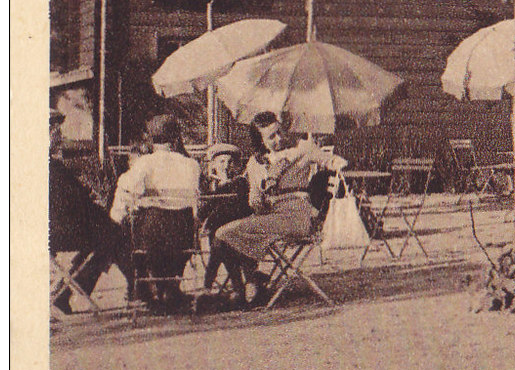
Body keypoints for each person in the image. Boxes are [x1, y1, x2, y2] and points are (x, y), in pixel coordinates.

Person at [215, 112, 346, 305]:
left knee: (229, 233)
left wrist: (336, 162)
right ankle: (244, 287)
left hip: (297, 216)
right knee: (223, 236)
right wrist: (259, 193)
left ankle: (251, 285)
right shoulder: (255, 163)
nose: (279, 138)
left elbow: (326, 158)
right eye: (271, 136)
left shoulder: (300, 150)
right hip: (272, 217)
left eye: (279, 132)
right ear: (260, 141)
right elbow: (255, 203)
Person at [109, 113, 202, 311]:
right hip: (184, 234)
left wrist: (116, 217)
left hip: (154, 235)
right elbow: (194, 201)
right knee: (162, 223)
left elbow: (126, 190)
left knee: (123, 230)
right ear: (176, 137)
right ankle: (169, 286)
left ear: (151, 138)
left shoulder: (145, 163)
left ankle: (144, 288)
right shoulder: (192, 165)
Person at [49, 108, 133, 313]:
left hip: (55, 229)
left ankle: (68, 292)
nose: (59, 137)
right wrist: (103, 217)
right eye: (54, 131)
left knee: (107, 237)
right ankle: (138, 288)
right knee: (115, 236)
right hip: (58, 232)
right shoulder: (50, 168)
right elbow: (76, 205)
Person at [199, 143, 252, 299]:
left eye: (229, 162)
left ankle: (208, 287)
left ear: (235, 165)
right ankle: (237, 288)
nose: (226, 166)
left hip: (237, 228)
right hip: (216, 230)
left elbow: (240, 206)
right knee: (219, 245)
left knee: (219, 246)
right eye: (221, 162)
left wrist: (224, 185)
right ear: (214, 164)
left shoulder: (240, 182)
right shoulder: (209, 185)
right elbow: (205, 208)